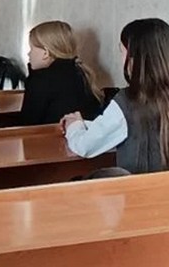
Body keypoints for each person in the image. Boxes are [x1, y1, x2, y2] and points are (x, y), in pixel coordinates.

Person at [61, 18, 169, 174]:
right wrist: (84, 124)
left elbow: (84, 146)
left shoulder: (130, 100)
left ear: (132, 57)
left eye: (121, 51)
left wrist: (74, 125)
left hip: (139, 187)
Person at [20, 20, 103, 125]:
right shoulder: (82, 73)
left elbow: (27, 124)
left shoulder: (41, 80)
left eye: (31, 48)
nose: (29, 54)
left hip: (50, 135)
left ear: (46, 53)